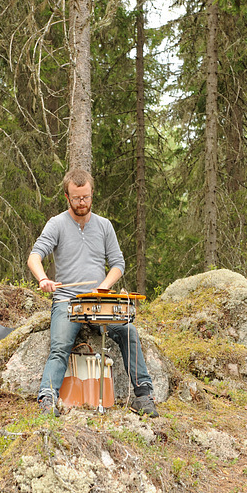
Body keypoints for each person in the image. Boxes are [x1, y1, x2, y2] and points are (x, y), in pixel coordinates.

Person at [28, 168, 159, 417]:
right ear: (67, 196)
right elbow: (35, 256)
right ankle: (47, 398)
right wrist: (43, 278)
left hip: (99, 301)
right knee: (60, 345)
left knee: (128, 331)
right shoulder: (56, 224)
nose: (82, 203)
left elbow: (118, 264)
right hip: (68, 300)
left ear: (91, 193)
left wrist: (105, 286)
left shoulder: (104, 225)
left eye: (86, 197)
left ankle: (143, 395)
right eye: (77, 198)